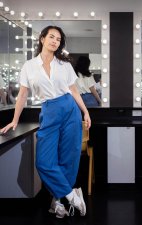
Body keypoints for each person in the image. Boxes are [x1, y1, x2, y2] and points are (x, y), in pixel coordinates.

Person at [0, 26, 91, 219]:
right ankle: (72, 196)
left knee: (68, 157)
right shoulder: (29, 66)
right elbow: (22, 95)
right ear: (42, 39)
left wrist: (85, 112)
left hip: (69, 109)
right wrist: (14, 120)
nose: (55, 41)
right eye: (51, 37)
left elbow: (74, 91)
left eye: (58, 39)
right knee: (43, 161)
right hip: (49, 110)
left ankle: (56, 202)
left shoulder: (64, 65)